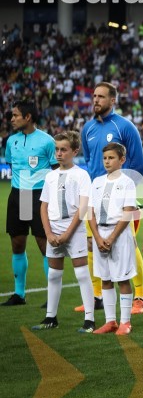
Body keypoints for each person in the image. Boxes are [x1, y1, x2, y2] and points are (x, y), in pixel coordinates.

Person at [80, 82, 143, 315]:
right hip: (97, 195)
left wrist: (125, 191)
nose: (96, 100)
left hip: (123, 195)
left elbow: (137, 163)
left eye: (101, 97)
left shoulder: (125, 127)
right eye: (94, 96)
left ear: (112, 100)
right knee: (92, 244)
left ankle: (139, 295)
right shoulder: (87, 129)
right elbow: (90, 162)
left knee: (129, 243)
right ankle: (97, 296)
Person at [31, 131, 94, 332]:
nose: (59, 153)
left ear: (74, 151)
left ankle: (90, 320)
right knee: (53, 274)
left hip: (73, 229)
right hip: (54, 228)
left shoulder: (81, 175)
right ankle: (51, 317)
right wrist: (48, 233)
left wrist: (67, 234)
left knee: (82, 273)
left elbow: (83, 207)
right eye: (57, 149)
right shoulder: (50, 176)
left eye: (63, 150)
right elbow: (43, 207)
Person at [2, 101, 56, 306]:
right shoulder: (11, 141)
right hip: (19, 195)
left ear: (28, 117)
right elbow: (11, 164)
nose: (12, 119)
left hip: (40, 197)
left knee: (44, 245)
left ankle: (52, 294)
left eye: (16, 115)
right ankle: (19, 294)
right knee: (17, 243)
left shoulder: (47, 141)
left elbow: (56, 171)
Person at [89, 143, 138, 335]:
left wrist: (111, 238)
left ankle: (125, 322)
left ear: (122, 160)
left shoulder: (127, 182)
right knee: (105, 279)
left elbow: (127, 213)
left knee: (123, 278)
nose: (107, 161)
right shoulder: (97, 182)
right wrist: (98, 237)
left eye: (111, 158)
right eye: (105, 158)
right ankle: (110, 321)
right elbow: (90, 212)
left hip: (119, 235)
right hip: (99, 234)